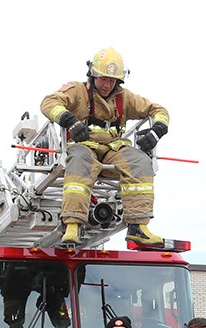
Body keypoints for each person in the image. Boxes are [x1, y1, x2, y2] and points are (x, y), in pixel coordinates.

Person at [41, 47, 170, 249]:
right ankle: (72, 224)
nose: (107, 85)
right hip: (83, 146)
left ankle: (138, 228)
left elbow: (158, 110)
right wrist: (69, 120)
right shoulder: (77, 91)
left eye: (112, 80)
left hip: (113, 148)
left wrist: (157, 130)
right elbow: (49, 102)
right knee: (79, 163)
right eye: (103, 79)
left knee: (140, 162)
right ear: (93, 75)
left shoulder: (125, 98)